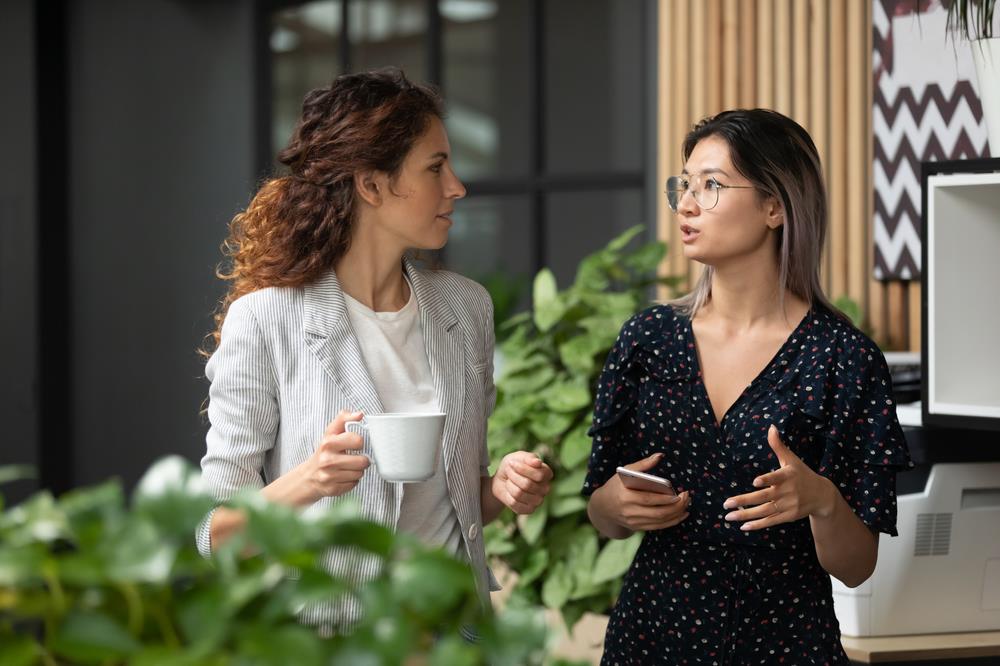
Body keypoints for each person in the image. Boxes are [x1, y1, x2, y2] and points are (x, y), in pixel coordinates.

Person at [196, 67, 553, 628]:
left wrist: (502, 486)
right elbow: (212, 533)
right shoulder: (265, 319)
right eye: (436, 167)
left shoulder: (466, 308)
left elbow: (458, 502)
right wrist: (309, 480)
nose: (457, 186)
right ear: (372, 184)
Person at [583, 109, 912, 664]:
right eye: (683, 185)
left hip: (784, 645)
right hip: (651, 639)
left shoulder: (843, 359)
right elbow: (601, 511)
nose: (686, 204)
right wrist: (615, 506)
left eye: (711, 185)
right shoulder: (648, 339)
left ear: (775, 206)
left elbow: (857, 567)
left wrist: (822, 501)